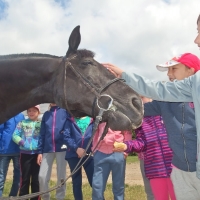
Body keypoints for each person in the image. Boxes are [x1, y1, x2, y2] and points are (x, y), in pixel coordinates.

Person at [114, 96, 175, 200]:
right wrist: (127, 145)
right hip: (155, 169)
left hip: (174, 167)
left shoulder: (167, 112)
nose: (142, 102)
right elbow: (142, 142)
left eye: (143, 97)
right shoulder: (140, 121)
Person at [92, 122, 132, 200]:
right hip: (100, 153)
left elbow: (127, 132)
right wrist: (94, 149)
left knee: (118, 187)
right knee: (97, 187)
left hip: (118, 152)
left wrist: (125, 152)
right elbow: (95, 131)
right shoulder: (100, 113)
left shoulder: (121, 114)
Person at [37, 103, 68, 200]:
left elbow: (69, 127)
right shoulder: (46, 114)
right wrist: (40, 152)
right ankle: (46, 197)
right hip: (47, 148)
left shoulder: (65, 112)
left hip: (62, 148)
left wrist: (64, 136)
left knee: (61, 175)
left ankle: (60, 197)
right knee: (42, 176)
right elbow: (42, 133)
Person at [12, 105, 41, 200]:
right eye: (29, 111)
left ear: (38, 112)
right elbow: (15, 135)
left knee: (36, 180)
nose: (31, 113)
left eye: (34, 111)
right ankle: (23, 197)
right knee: (25, 179)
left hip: (38, 155)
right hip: (25, 155)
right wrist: (23, 142)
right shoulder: (22, 123)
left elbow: (44, 137)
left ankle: (35, 198)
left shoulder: (41, 124)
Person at [62, 115, 94, 200]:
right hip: (73, 155)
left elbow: (96, 136)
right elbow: (66, 136)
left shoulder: (92, 120)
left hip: (88, 155)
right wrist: (76, 149)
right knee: (76, 182)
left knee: (94, 182)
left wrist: (91, 149)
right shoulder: (69, 120)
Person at [0, 113, 24, 197]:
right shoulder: (5, 114)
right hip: (4, 150)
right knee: (1, 176)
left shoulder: (21, 116)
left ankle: (12, 196)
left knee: (18, 175)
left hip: (18, 150)